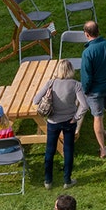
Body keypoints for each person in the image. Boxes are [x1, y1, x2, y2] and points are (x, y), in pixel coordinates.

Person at [31, 60, 87, 189]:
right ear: (71, 70)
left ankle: (48, 181)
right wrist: (76, 118)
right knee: (68, 150)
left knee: (50, 151)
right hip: (69, 122)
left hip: (52, 122)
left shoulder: (51, 83)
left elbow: (35, 100)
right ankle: (67, 180)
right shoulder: (76, 85)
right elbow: (84, 105)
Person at [79, 21, 106, 160]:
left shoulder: (87, 53)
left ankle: (103, 148)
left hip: (95, 90)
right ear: (99, 30)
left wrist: (85, 90)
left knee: (98, 117)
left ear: (86, 34)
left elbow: (86, 75)